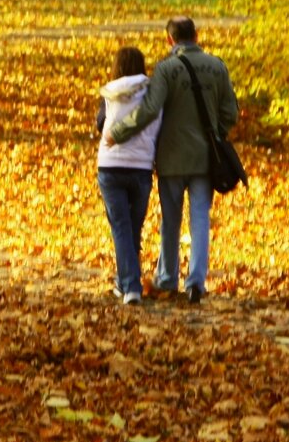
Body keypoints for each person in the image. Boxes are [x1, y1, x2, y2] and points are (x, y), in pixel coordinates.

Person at [104, 17, 238, 305]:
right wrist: (216, 132)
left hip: (171, 156)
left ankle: (167, 277)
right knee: (200, 217)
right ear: (197, 35)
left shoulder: (166, 69)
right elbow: (231, 112)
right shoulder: (217, 66)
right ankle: (196, 282)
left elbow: (150, 110)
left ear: (170, 40)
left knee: (171, 219)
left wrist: (118, 131)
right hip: (205, 158)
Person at [96, 46, 162, 306]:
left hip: (111, 166)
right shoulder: (154, 92)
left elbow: (100, 124)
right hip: (141, 166)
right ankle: (125, 282)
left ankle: (130, 285)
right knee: (133, 227)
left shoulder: (110, 92)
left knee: (121, 226)